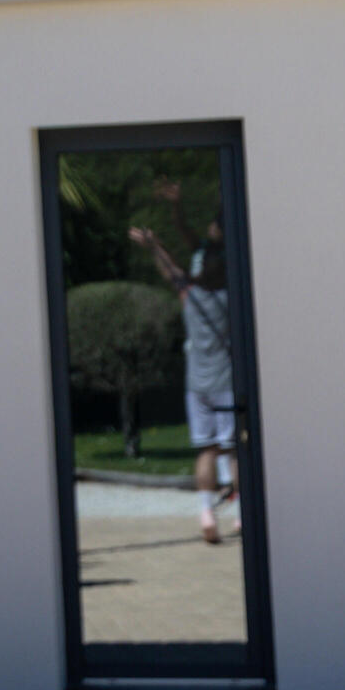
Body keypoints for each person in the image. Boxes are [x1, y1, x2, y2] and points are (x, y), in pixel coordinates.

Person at [128, 177, 239, 544]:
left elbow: (171, 270)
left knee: (205, 450)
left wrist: (153, 244)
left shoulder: (190, 296)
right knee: (232, 450)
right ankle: (239, 514)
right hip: (226, 381)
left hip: (198, 384)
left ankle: (207, 512)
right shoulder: (229, 297)